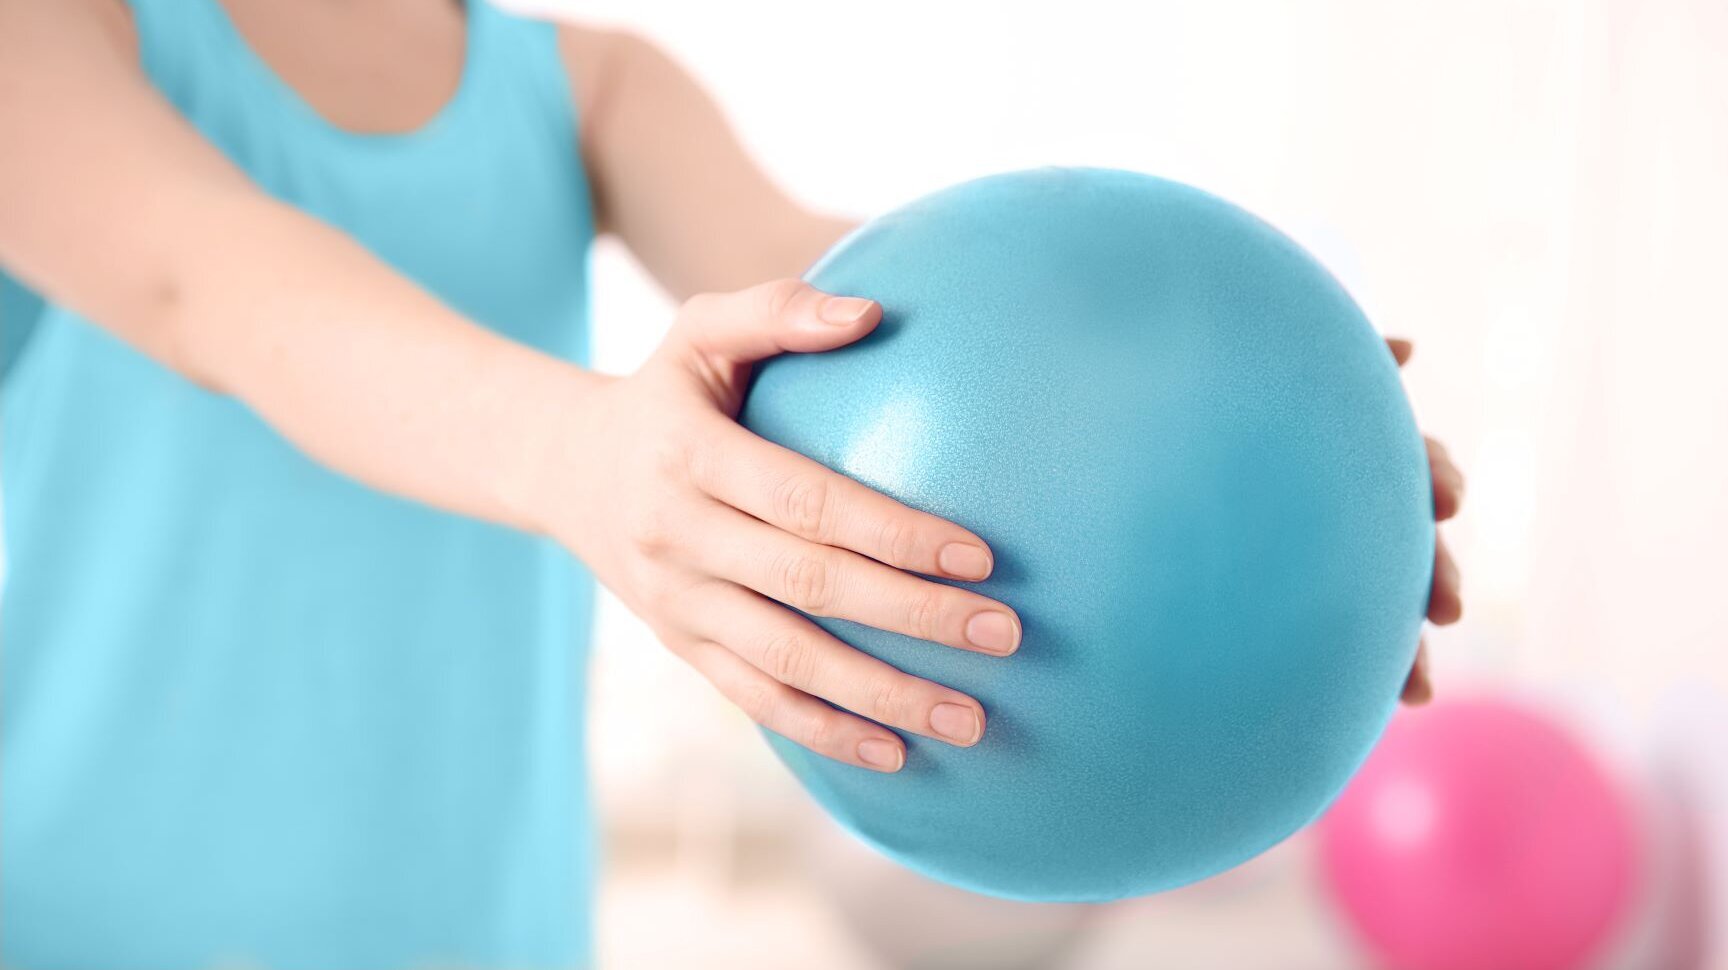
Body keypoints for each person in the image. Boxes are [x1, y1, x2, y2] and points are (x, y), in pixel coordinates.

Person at [0, 0, 1466, 965]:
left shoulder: (583, 86)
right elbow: (206, 285)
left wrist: (1256, 430)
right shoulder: (44, 41)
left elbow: (848, 308)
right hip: (90, 920)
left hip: (484, 922)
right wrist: (588, 458)